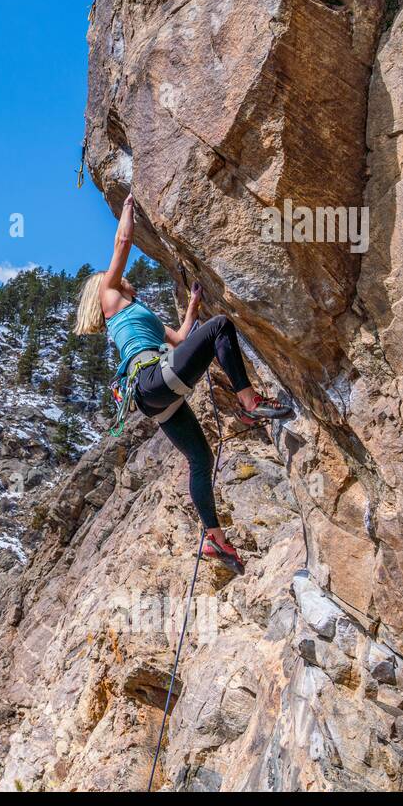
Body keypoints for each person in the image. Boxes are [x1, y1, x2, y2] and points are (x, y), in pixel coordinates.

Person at [74, 194, 292, 571]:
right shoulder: (112, 299)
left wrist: (192, 303)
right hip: (152, 380)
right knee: (222, 326)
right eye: (117, 277)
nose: (124, 277)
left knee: (200, 457)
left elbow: (181, 338)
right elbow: (122, 243)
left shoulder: (139, 314)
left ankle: (214, 541)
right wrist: (127, 209)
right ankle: (249, 403)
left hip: (155, 397)